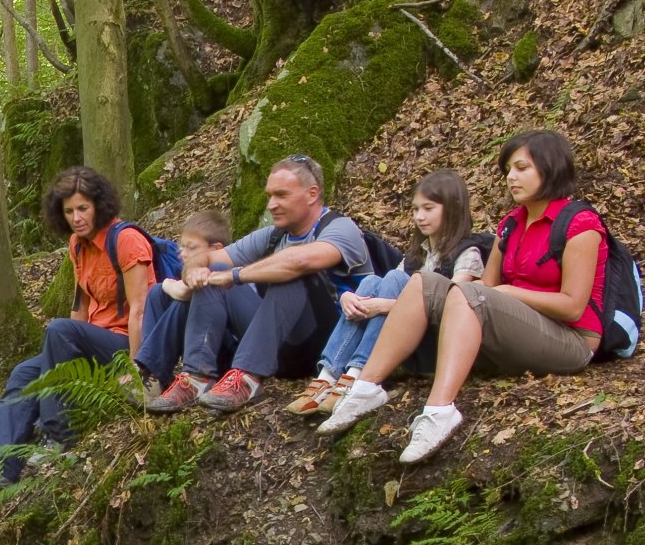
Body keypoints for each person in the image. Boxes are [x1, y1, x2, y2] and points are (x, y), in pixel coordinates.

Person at [320, 131, 611, 463]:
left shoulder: (580, 224)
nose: (511, 177)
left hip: (570, 340)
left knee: (472, 294)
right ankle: (366, 388)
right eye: (507, 170)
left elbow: (573, 306)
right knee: (422, 282)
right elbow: (483, 288)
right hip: (518, 330)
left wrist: (508, 292)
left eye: (521, 168)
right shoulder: (511, 225)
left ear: (551, 168)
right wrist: (494, 293)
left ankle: (440, 409)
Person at [0, 167, 152, 495]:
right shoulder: (77, 245)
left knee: (58, 330)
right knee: (24, 374)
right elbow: (80, 309)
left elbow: (141, 309)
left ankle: (58, 434)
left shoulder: (127, 240)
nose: (76, 218)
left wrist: (137, 368)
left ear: (99, 205)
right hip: (92, 340)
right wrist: (61, 355)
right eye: (69, 211)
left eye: (83, 208)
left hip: (128, 343)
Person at [141, 156, 374, 414]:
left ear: (312, 194)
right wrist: (194, 269)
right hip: (278, 344)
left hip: (329, 345)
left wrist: (237, 275)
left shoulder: (341, 228)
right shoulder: (275, 235)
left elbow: (301, 260)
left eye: (281, 195)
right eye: (269, 196)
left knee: (293, 271)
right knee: (214, 270)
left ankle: (247, 377)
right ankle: (197, 377)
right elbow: (210, 258)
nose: (271, 205)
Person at [284, 170, 489, 416]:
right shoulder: (416, 255)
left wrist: (382, 307)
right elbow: (387, 290)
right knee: (372, 281)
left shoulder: (467, 254)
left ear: (452, 209)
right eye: (415, 210)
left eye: (428, 208)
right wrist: (350, 298)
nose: (419, 217)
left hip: (434, 345)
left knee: (393, 278)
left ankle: (357, 373)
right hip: (402, 340)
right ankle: (330, 376)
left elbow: (454, 305)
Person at [133, 210, 242, 408]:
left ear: (216, 249)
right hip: (202, 344)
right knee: (158, 293)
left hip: (223, 351)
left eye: (191, 248)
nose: (183, 253)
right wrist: (164, 287)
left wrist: (166, 284)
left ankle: (151, 371)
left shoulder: (223, 269)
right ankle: (151, 375)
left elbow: (186, 293)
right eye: (181, 247)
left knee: (175, 295)